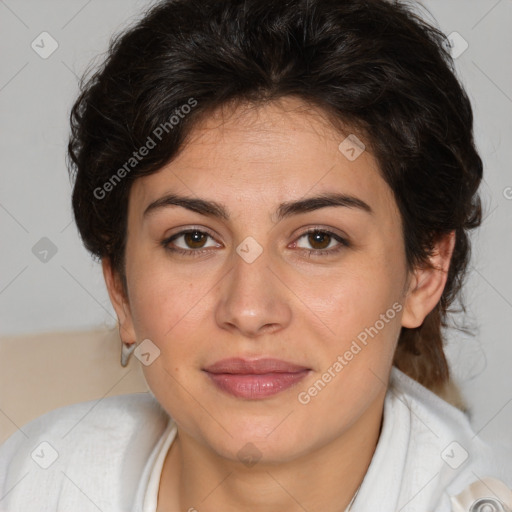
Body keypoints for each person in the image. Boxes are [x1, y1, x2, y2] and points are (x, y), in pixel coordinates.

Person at [1, 0, 511, 511]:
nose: (248, 309)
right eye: (193, 239)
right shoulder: (37, 480)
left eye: (318, 239)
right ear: (121, 288)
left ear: (423, 274)